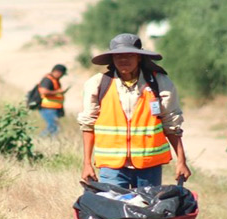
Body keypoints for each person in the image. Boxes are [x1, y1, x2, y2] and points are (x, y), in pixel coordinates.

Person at [78, 33, 191, 188]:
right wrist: (87, 164)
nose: (123, 59)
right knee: (114, 209)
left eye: (129, 55)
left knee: (146, 209)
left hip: (149, 165)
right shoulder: (98, 84)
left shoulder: (159, 82)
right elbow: (87, 125)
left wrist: (181, 161)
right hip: (112, 167)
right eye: (118, 56)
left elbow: (172, 124)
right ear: (112, 59)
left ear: (139, 57)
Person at [38, 64, 69, 137]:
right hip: (48, 108)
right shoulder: (47, 79)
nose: (62, 76)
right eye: (62, 74)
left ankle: (51, 142)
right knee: (53, 127)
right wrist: (58, 92)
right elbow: (43, 91)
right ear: (57, 72)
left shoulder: (55, 80)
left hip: (53, 108)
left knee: (54, 127)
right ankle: (39, 139)